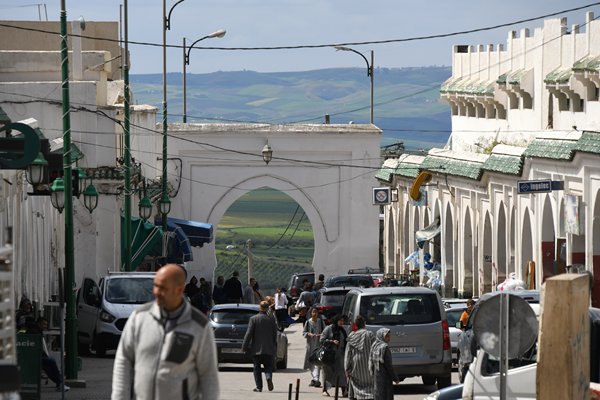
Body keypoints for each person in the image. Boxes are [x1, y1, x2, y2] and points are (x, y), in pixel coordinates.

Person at [112, 264, 219, 400]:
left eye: (162, 288)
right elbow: (123, 360)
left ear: (179, 290)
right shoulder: (139, 318)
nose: (156, 292)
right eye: (155, 286)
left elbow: (208, 375)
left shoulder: (199, 326)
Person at [242, 300, 278, 393]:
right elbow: (275, 335)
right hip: (269, 349)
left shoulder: (253, 319)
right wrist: (274, 346)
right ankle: (268, 377)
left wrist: (244, 346)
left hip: (256, 349)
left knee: (257, 368)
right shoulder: (271, 320)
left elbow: (248, 334)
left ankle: (259, 387)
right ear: (267, 308)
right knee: (268, 366)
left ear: (260, 308)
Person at [27, 317, 70, 392]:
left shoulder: (37, 331)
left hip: (35, 356)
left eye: (46, 325)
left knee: (49, 366)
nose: (45, 326)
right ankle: (60, 383)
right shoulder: (35, 332)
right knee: (51, 363)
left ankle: (59, 383)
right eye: (43, 324)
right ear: (38, 323)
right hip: (33, 357)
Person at [344, 316, 374, 400]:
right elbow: (375, 350)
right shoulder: (370, 334)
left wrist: (347, 369)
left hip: (356, 367)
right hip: (368, 366)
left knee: (355, 384)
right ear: (364, 324)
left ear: (356, 325)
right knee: (370, 385)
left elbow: (348, 355)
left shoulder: (351, 336)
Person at [320, 314, 348, 397]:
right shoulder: (328, 329)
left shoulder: (342, 330)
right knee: (328, 372)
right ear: (336, 320)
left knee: (341, 372)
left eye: (343, 321)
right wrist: (331, 341)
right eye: (340, 321)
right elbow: (321, 340)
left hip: (340, 355)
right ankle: (325, 390)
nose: (342, 322)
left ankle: (344, 391)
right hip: (329, 355)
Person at [369, 328, 399, 400]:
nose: (389, 338)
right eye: (387, 336)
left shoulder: (374, 346)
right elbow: (389, 365)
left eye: (389, 336)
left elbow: (370, 362)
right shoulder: (385, 347)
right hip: (385, 379)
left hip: (376, 377)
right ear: (381, 336)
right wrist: (395, 378)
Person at [303, 307, 326, 388]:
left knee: (318, 363)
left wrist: (321, 335)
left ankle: (316, 379)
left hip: (319, 346)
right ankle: (315, 379)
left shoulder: (321, 322)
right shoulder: (308, 322)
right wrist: (309, 334)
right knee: (311, 363)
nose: (315, 313)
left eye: (316, 312)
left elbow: (325, 332)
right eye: (313, 312)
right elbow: (304, 333)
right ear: (311, 313)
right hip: (311, 346)